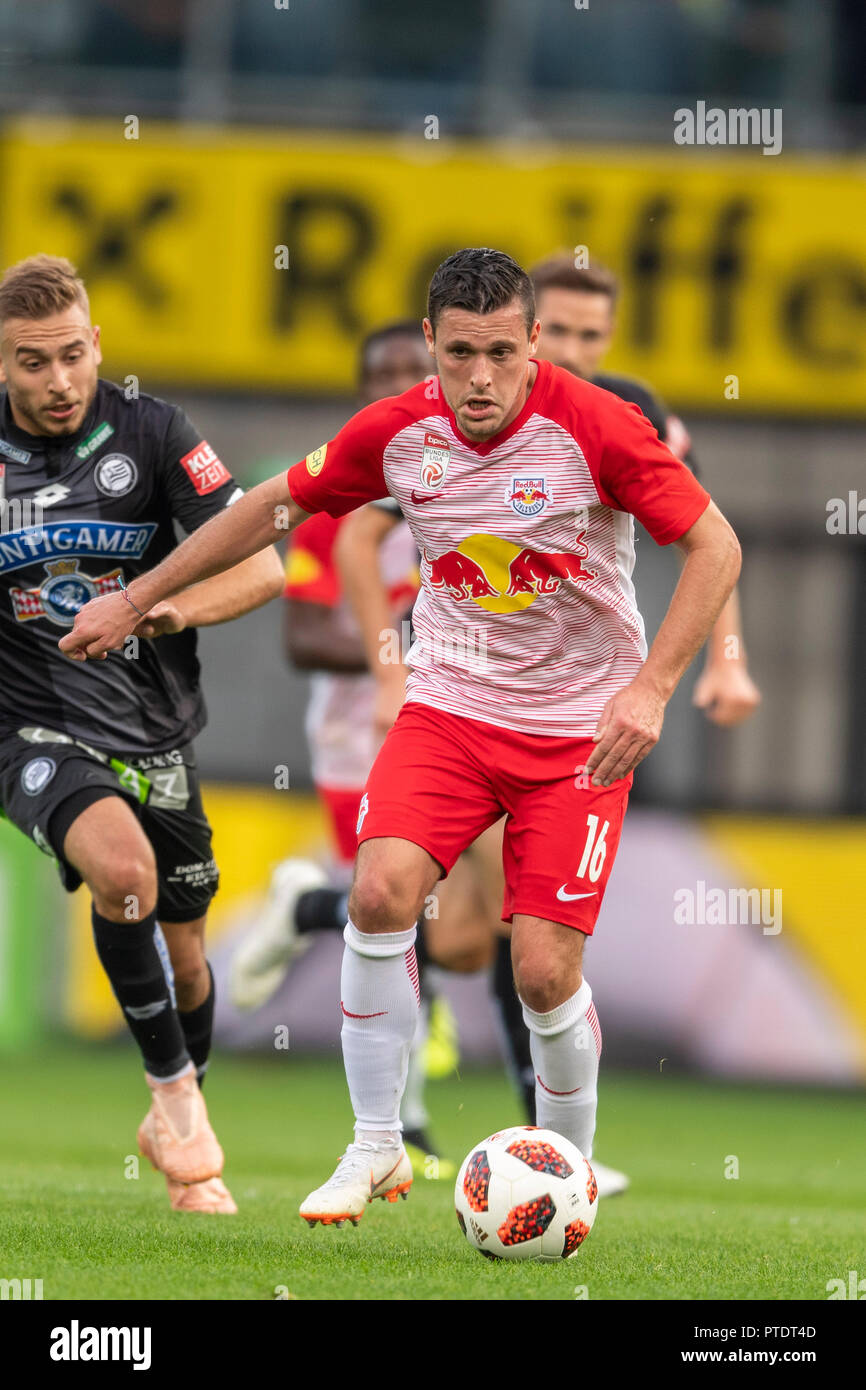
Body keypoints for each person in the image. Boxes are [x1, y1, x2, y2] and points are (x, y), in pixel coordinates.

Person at [61, 247, 742, 1233]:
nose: (477, 378)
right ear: (429, 341)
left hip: (576, 732)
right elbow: (269, 509)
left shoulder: (596, 427)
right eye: (458, 352)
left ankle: (569, 1177)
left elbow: (714, 542)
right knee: (381, 893)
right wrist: (135, 596)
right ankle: (374, 1145)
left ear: (533, 344)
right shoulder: (397, 432)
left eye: (500, 354)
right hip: (450, 708)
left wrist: (652, 686)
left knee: (540, 968)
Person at [0, 254, 284, 1214]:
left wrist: (150, 611)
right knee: (124, 876)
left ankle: (176, 1111)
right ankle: (180, 1108)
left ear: (97, 347)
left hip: (156, 730)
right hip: (30, 724)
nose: (57, 382)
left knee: (189, 952)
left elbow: (264, 571)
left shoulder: (155, 432)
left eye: (71, 356)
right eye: (31, 363)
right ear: (3, 364)